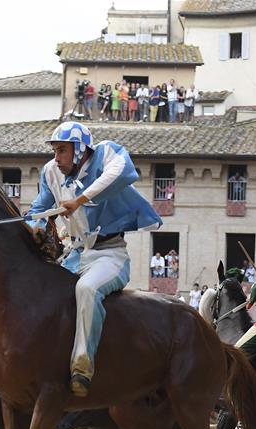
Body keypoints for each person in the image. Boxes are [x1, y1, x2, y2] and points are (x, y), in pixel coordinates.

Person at [26, 122, 162, 397]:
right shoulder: (50, 172)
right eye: (54, 150)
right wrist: (36, 226)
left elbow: (122, 173)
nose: (56, 157)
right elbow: (39, 208)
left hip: (110, 254)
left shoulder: (106, 152)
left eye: (62, 150)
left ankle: (82, 368)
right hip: (74, 254)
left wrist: (79, 199)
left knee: (86, 289)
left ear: (79, 151)